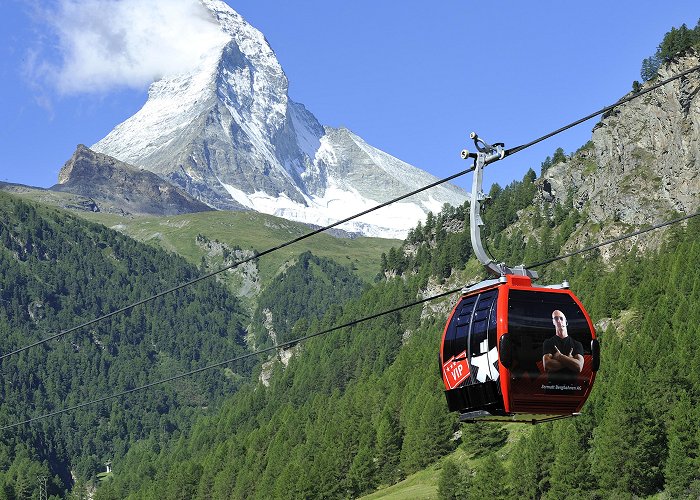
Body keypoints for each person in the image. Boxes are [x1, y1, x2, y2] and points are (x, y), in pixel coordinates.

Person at [542, 310, 584, 387]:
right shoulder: (548, 342)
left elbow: (579, 367)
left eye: (561, 318)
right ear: (553, 322)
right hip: (552, 388)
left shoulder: (577, 344)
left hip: (573, 389)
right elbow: (547, 365)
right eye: (555, 318)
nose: (558, 321)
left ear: (566, 321)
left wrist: (560, 357)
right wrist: (570, 360)